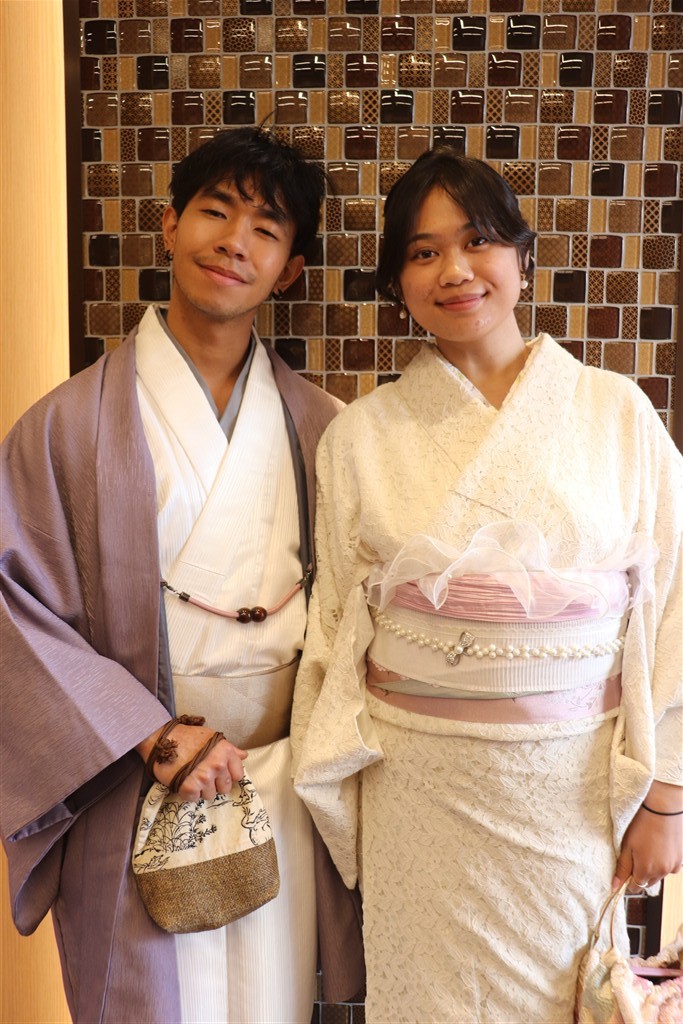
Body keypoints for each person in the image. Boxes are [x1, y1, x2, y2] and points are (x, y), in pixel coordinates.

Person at [291, 148, 683, 1023]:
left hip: (568, 790)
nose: (455, 270)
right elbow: (335, 630)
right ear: (398, 282)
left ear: (521, 257)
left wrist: (667, 794)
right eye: (423, 252)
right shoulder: (359, 436)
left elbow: (677, 609)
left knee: (562, 991)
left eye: (477, 241)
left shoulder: (616, 413)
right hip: (415, 790)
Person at [1, 127, 363, 1024]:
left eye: (265, 229)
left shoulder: (326, 428)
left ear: (289, 270)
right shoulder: (65, 428)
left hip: (281, 778)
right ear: (168, 225)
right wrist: (152, 736)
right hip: (138, 776)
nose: (234, 241)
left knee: (279, 1001)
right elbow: (14, 613)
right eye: (214, 212)